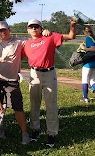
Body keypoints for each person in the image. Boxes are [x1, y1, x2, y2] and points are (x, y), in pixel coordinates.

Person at [23, 19, 76, 148]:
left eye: (37, 27)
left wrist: (72, 26)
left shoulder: (50, 36)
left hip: (49, 73)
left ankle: (51, 133)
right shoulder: (27, 44)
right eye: (31, 27)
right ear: (28, 30)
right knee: (34, 103)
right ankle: (35, 130)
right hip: (34, 74)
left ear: (41, 28)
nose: (34, 29)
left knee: (51, 104)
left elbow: (71, 36)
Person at [0, 21, 32, 144]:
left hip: (12, 81)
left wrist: (45, 34)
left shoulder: (18, 42)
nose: (3, 32)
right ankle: (0, 128)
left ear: (9, 29)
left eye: (5, 30)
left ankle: (24, 133)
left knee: (17, 107)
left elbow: (33, 41)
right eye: (0, 31)